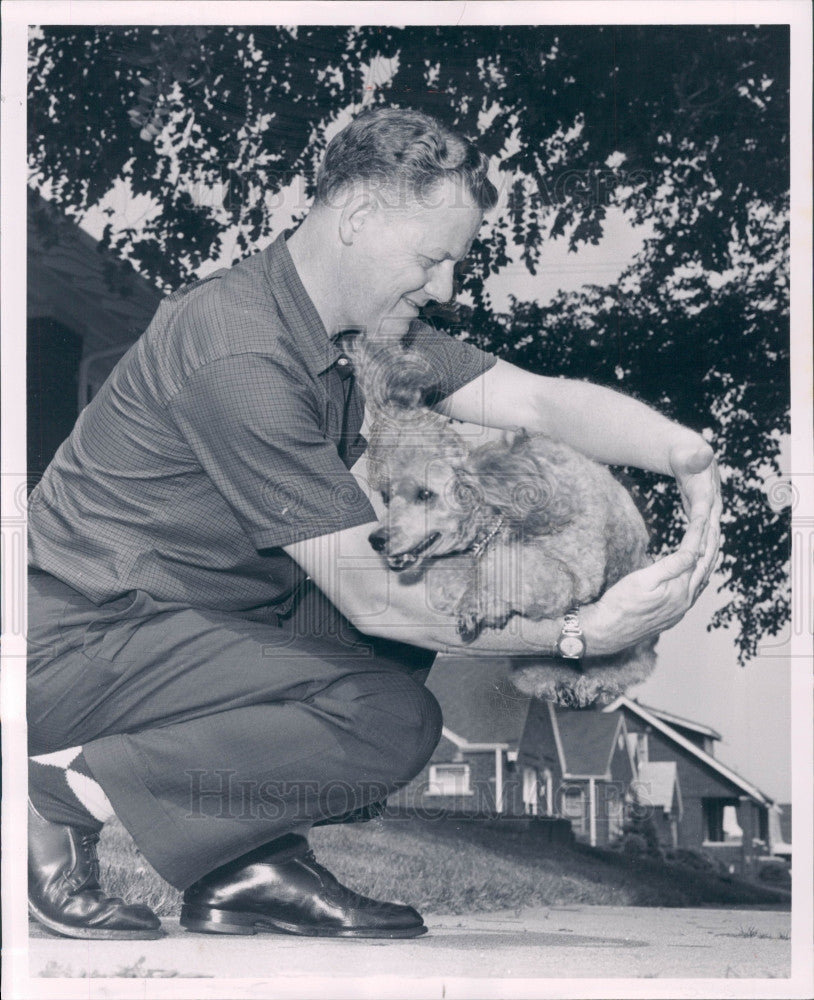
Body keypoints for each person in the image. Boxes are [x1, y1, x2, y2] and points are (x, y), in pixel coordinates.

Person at [26, 106, 721, 940]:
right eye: (433, 259)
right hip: (76, 643)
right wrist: (581, 632)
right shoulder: (238, 346)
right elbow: (373, 601)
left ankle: (244, 864)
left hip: (181, 629)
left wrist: (685, 454)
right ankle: (56, 798)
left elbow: (536, 398)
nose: (445, 288)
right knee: (389, 710)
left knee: (422, 573)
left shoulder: (367, 340)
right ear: (355, 216)